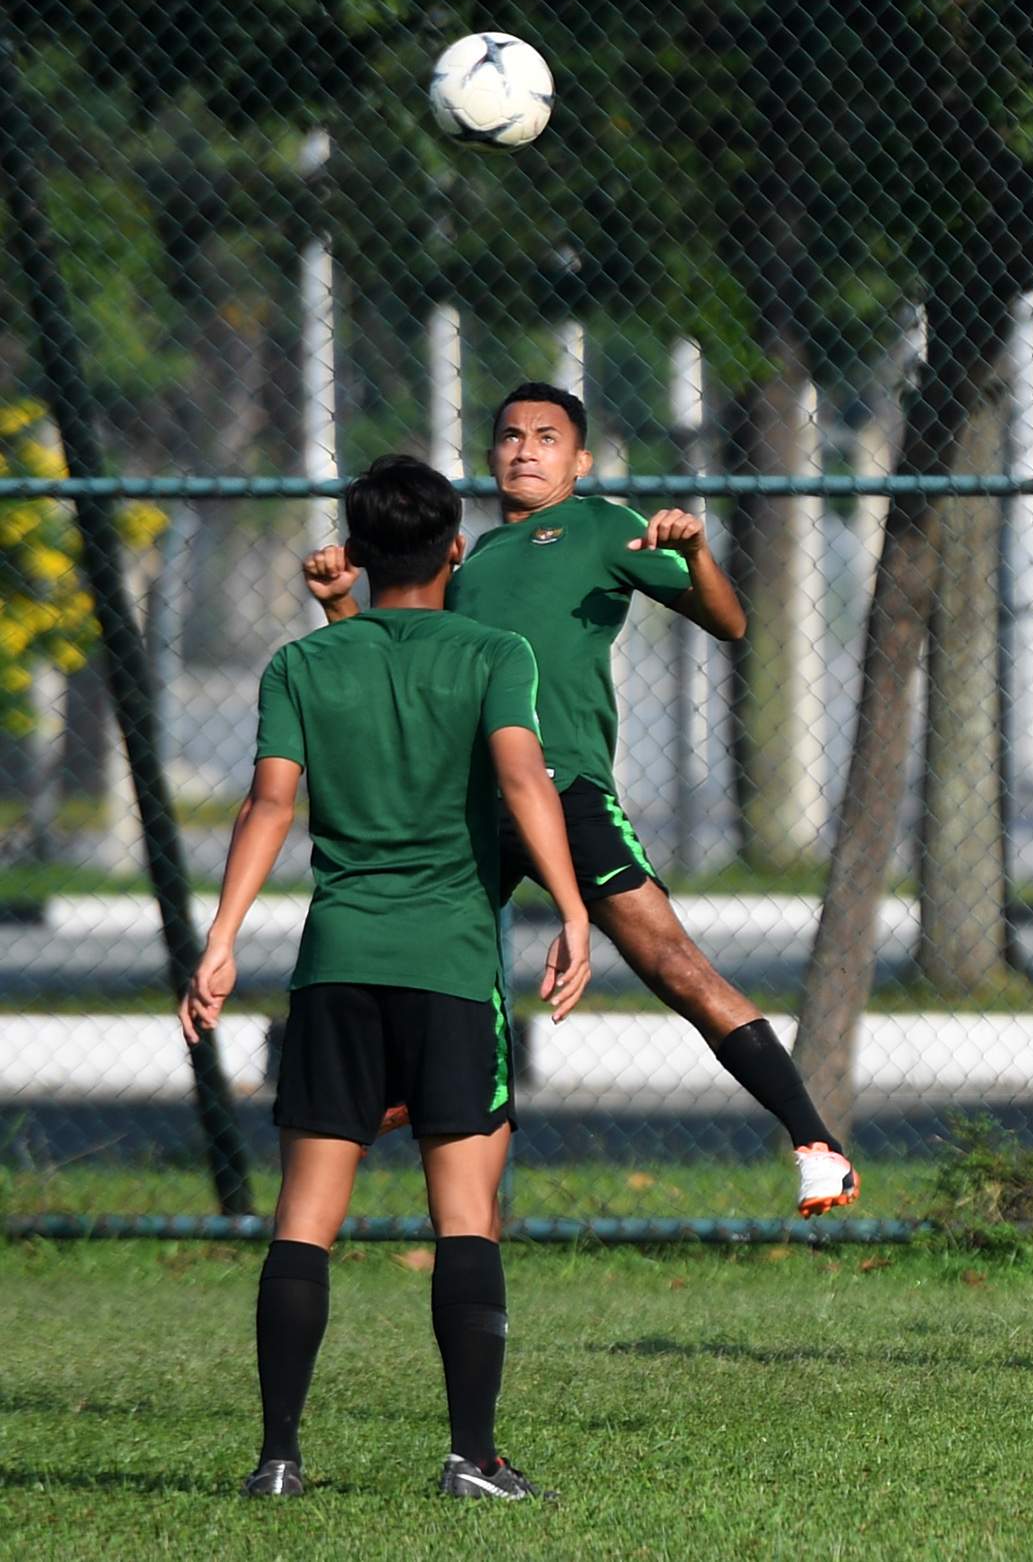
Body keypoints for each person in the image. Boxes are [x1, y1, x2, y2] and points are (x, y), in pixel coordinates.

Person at [304, 384, 856, 1216]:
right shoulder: (471, 558)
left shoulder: (600, 525)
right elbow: (410, 660)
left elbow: (731, 622)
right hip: (466, 807)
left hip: (561, 791)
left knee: (673, 964)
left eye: (547, 438)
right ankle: (431, 1143)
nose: (526, 449)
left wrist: (696, 553)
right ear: (490, 455)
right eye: (511, 436)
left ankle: (817, 1144)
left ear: (579, 460)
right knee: (415, 964)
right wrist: (340, 604)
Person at [185, 457, 593, 1500]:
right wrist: (572, 905)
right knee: (464, 1213)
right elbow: (519, 775)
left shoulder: (301, 666)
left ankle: (277, 1456)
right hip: (452, 965)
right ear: (456, 550)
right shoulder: (496, 652)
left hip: (338, 967)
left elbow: (269, 806)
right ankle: (472, 1458)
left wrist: (222, 936)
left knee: (303, 1216)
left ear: (356, 557)